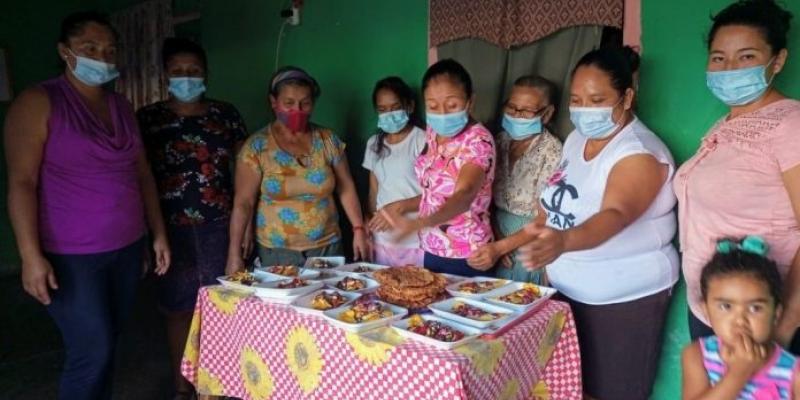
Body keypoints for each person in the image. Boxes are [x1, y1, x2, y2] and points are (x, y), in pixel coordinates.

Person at [3, 11, 170, 400]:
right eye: (89, 48)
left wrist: (156, 234)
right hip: (72, 255)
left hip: (126, 247)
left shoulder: (121, 106)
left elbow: (142, 174)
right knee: (91, 350)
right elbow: (22, 183)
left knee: (108, 344)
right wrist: (30, 256)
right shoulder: (39, 102)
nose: (102, 57)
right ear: (65, 52)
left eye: (110, 50)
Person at [517, 46, 679, 399]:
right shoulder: (577, 139)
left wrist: (562, 243)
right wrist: (527, 246)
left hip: (623, 298)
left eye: (596, 99)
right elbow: (558, 200)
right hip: (569, 288)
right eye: (576, 99)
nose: (584, 110)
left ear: (627, 97)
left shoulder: (638, 152)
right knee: (570, 386)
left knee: (612, 391)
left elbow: (614, 215)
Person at [674, 0, 800, 351]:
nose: (729, 68)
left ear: (778, 60)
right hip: (712, 308)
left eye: (746, 57)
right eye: (718, 58)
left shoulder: (791, 125)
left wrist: (785, 326)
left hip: (762, 321)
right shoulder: (725, 125)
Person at [136, 37, 248, 400]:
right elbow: (139, 178)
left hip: (221, 225)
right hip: (170, 230)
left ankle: (220, 386)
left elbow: (247, 171)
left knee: (224, 306)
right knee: (178, 309)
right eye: (178, 72)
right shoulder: (148, 119)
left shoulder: (225, 115)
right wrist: (147, 235)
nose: (186, 78)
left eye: (194, 71)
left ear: (206, 74)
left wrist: (245, 228)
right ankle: (182, 386)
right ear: (166, 75)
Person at [226, 66, 370, 271]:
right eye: (289, 103)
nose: (298, 111)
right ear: (273, 102)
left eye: (305, 103)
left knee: (329, 300)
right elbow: (243, 203)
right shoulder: (256, 147)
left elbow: (346, 186)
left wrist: (358, 229)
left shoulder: (328, 140)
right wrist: (234, 254)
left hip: (327, 247)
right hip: (276, 252)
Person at [382, 59, 495, 277]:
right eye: (433, 106)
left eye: (452, 105)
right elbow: (433, 190)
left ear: (470, 102)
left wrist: (420, 223)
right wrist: (405, 208)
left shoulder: (478, 142)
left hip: (468, 254)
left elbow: (464, 195)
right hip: (432, 247)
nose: (442, 114)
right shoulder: (433, 132)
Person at [466, 75, 563, 283]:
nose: (516, 115)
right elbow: (485, 197)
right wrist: (496, 237)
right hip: (493, 234)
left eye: (527, 110)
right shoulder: (497, 141)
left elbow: (544, 217)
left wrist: (502, 248)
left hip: (529, 243)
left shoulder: (552, 151)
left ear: (547, 114)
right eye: (511, 107)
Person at [681, 236, 800, 399]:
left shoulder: (793, 374)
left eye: (755, 308)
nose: (740, 320)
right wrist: (738, 374)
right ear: (706, 311)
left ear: (776, 314)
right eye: (726, 306)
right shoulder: (697, 356)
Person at [362, 77, 426, 266]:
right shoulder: (373, 144)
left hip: (415, 239)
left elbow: (435, 196)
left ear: (410, 106)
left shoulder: (422, 140)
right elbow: (374, 191)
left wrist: (397, 208)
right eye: (382, 110)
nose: (389, 114)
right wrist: (369, 225)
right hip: (382, 240)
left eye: (395, 107)